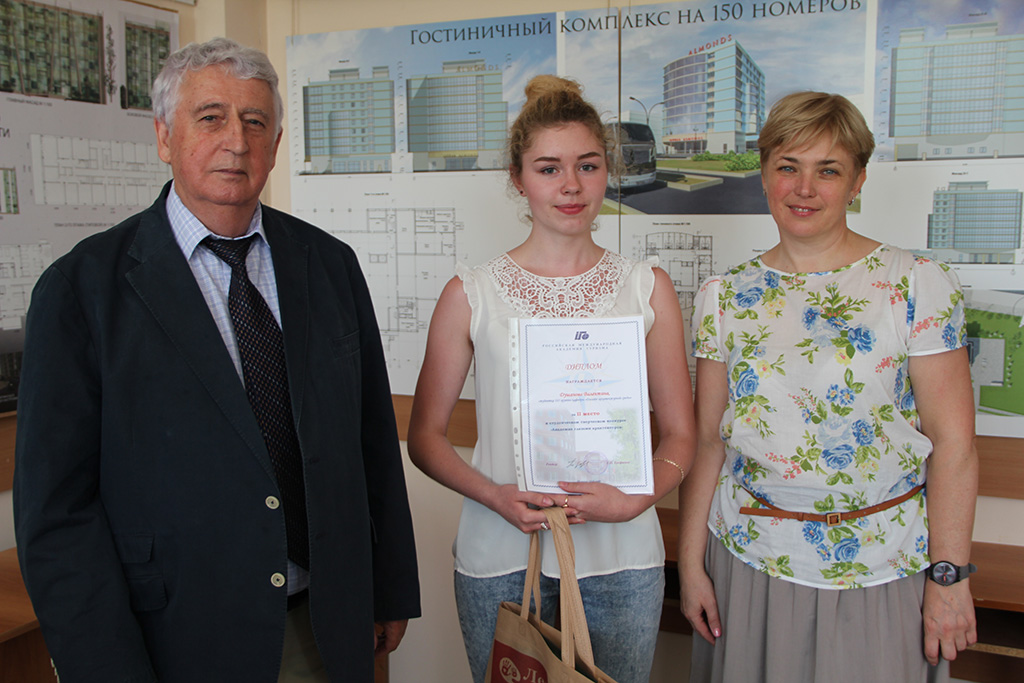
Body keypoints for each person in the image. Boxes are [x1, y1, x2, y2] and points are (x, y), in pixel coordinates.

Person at [13, 38, 419, 682]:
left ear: (275, 145)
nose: (236, 141)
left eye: (255, 122)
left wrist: (391, 586)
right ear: (163, 137)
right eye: (210, 117)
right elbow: (56, 515)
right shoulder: (81, 289)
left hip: (327, 620)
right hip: (175, 638)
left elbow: (370, 440)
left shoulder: (329, 264)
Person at [679, 91, 978, 682]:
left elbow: (955, 446)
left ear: (858, 181)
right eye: (788, 166)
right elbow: (710, 442)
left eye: (828, 170)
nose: (804, 188)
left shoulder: (916, 285)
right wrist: (690, 564)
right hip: (748, 559)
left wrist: (949, 577)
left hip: (882, 566)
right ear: (764, 174)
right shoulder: (723, 297)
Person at [407, 75, 695, 683]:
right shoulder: (471, 294)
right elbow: (425, 438)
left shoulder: (647, 288)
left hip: (622, 559)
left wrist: (636, 499)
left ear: (607, 171)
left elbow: (680, 435)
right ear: (518, 178)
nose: (571, 185)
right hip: (502, 554)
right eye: (548, 169)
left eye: (588, 165)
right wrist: (495, 496)